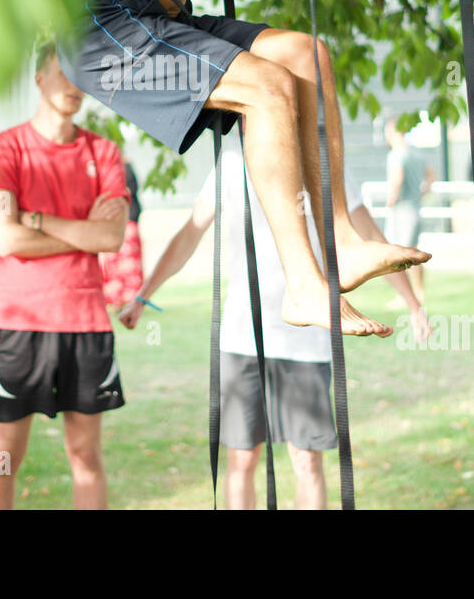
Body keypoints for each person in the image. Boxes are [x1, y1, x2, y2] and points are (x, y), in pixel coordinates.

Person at [57, 0, 429, 337]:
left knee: (307, 57)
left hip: (159, 20)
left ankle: (341, 237)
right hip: (101, 25)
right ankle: (303, 286)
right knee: (268, 88)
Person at [119, 142, 427, 509]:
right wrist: (143, 294)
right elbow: (190, 234)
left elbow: (370, 239)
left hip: (309, 337)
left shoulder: (325, 161)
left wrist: (413, 304)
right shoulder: (232, 162)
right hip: (242, 337)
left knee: (307, 459)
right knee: (242, 459)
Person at [0, 42, 130, 509]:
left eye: (81, 74)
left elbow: (113, 238)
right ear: (39, 78)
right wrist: (86, 233)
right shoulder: (2, 149)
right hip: (20, 322)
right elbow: (7, 240)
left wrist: (38, 220)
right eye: (61, 72)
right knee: (4, 455)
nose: (72, 84)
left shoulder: (104, 153)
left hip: (86, 322)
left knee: (86, 455)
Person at [384, 117, 435, 304]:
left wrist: (391, 199)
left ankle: (404, 296)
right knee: (413, 252)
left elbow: (397, 178)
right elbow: (432, 175)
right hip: (414, 208)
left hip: (401, 210)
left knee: (400, 254)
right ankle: (419, 292)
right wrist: (423, 191)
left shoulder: (396, 155)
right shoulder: (417, 155)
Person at [100, 160, 144, 309]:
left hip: (127, 221)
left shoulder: (125, 168)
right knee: (114, 261)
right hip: (114, 222)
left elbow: (129, 191)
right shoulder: (108, 168)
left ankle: (130, 299)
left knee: (128, 262)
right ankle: (117, 299)